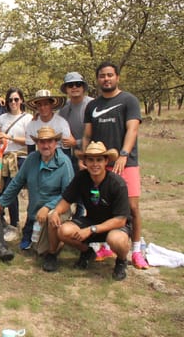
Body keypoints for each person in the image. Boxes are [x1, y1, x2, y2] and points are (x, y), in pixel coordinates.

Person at [83, 61, 149, 269]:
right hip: (99, 163)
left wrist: (123, 154)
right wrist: (84, 159)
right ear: (98, 79)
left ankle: (136, 250)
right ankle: (104, 245)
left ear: (117, 77)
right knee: (99, 205)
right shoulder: (92, 106)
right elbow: (86, 135)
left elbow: (132, 130)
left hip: (125, 162)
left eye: (110, 75)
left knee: (132, 207)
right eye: (102, 76)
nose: (106, 79)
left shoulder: (129, 100)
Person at [47, 142, 131, 280]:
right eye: (90, 160)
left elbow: (121, 220)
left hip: (114, 226)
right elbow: (66, 200)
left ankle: (121, 261)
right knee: (63, 231)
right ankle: (87, 252)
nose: (94, 164)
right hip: (91, 220)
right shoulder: (82, 177)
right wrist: (56, 212)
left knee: (116, 239)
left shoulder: (117, 183)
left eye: (99, 159)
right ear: (85, 161)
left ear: (106, 161)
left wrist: (91, 229)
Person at [0, 127, 74, 260]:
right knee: (35, 249)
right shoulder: (31, 159)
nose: (46, 145)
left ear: (55, 143)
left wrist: (48, 207)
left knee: (44, 251)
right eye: (42, 142)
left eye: (49, 141)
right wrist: (0, 203)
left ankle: (54, 249)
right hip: (34, 212)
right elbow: (16, 183)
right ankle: (40, 235)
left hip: (57, 210)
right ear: (37, 143)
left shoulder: (64, 163)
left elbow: (69, 194)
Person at [0, 87, 32, 227]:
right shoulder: (2, 118)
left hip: (20, 159)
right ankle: (3, 221)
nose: (13, 102)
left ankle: (16, 222)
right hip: (3, 158)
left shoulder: (27, 118)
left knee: (12, 190)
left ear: (21, 100)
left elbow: (29, 140)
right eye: (10, 100)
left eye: (16, 99)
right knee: (1, 190)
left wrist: (10, 137)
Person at [59, 72, 93, 174]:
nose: (74, 87)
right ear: (66, 89)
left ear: (83, 87)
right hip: (73, 156)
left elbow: (100, 132)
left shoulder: (92, 105)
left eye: (78, 84)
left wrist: (76, 142)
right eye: (70, 85)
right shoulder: (64, 109)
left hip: (93, 154)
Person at [24, 90, 74, 155]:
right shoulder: (31, 125)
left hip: (59, 156)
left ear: (52, 105)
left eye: (46, 104)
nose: (42, 107)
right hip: (40, 156)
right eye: (39, 105)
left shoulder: (62, 123)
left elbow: (66, 151)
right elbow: (31, 151)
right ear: (36, 107)